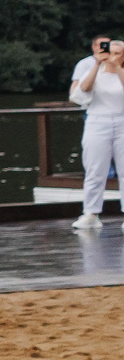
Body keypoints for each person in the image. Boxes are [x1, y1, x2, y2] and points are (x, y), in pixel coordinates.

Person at [72, 37, 123, 231]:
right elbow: (83, 89)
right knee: (95, 170)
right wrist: (97, 64)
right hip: (97, 121)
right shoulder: (93, 70)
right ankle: (91, 213)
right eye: (111, 52)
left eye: (118, 53)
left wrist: (117, 66)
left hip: (122, 120)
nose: (113, 57)